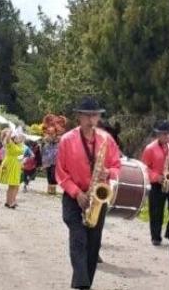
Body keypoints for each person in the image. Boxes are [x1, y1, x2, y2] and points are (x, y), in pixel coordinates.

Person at [56, 98, 121, 290]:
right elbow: (61, 173)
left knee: (93, 246)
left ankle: (84, 283)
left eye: (95, 115)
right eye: (87, 115)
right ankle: (82, 286)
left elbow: (117, 166)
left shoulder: (106, 139)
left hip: (97, 199)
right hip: (74, 198)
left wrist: (108, 173)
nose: (91, 119)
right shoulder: (67, 140)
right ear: (79, 117)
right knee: (79, 240)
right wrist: (77, 193)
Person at [141, 120, 169, 246]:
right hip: (157, 183)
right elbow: (145, 168)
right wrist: (156, 177)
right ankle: (156, 237)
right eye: (164, 134)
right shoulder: (149, 149)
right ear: (158, 134)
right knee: (156, 211)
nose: (167, 137)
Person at [0, 127, 25, 208]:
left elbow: (22, 139)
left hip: (16, 165)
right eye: (15, 136)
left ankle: (10, 201)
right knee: (13, 184)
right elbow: (7, 139)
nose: (17, 137)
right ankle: (10, 202)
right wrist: (10, 132)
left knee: (14, 185)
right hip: (10, 164)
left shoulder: (19, 144)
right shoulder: (9, 144)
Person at [42, 129, 61, 196]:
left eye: (52, 135)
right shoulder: (46, 145)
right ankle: (49, 190)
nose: (50, 137)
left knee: (53, 175)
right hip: (48, 162)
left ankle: (53, 190)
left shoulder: (59, 145)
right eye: (49, 135)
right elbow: (44, 154)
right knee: (49, 176)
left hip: (55, 163)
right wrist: (44, 164)